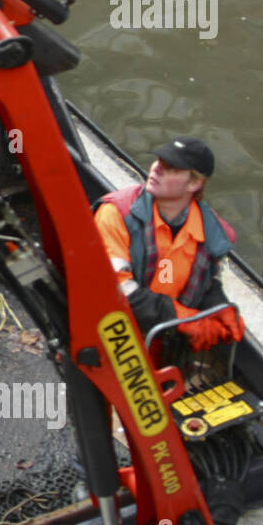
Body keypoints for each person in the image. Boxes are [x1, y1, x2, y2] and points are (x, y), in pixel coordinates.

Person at [93, 136, 244, 361]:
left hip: (165, 338)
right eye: (159, 161)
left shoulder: (210, 230)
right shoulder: (116, 215)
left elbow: (206, 280)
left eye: (170, 168)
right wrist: (182, 318)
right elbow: (112, 289)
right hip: (115, 338)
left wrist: (218, 305)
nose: (156, 169)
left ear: (194, 184)